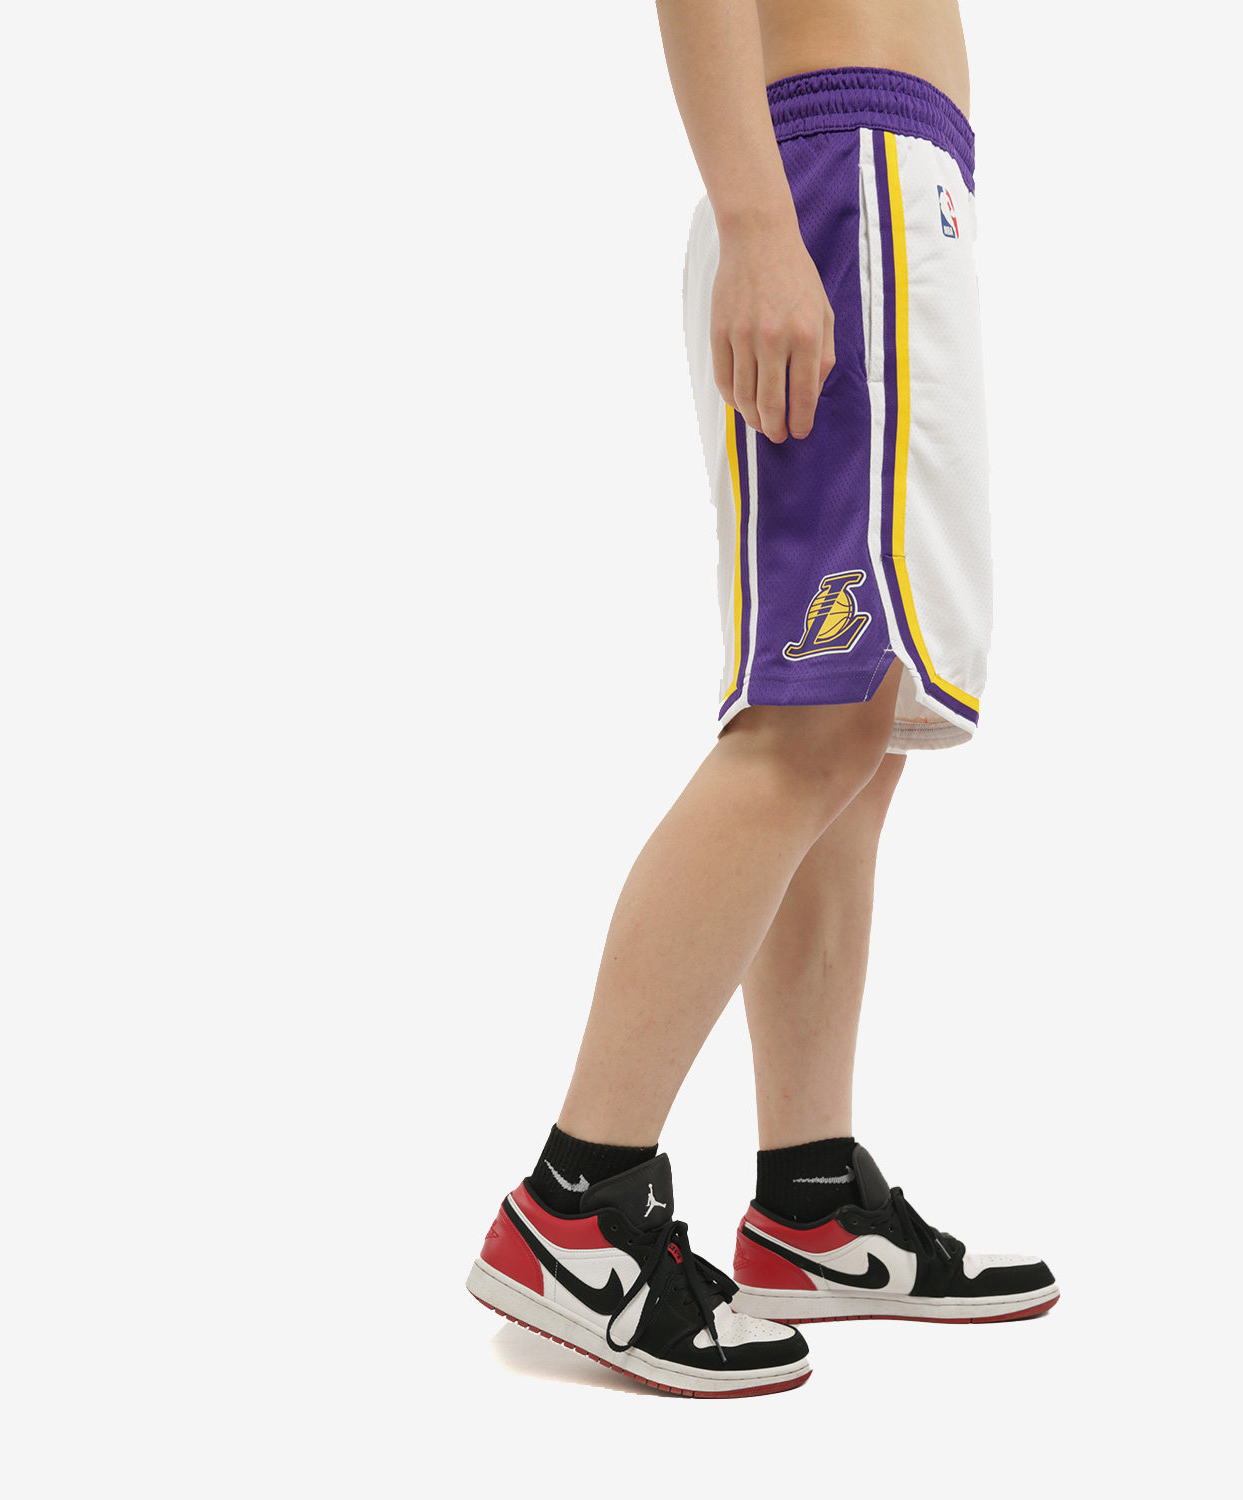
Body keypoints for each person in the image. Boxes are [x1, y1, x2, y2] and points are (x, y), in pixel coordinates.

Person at [466, 0, 1057, 1397]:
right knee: (812, 721)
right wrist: (755, 221)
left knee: (858, 733)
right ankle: (577, 1203)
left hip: (890, 181)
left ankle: (810, 1205)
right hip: (833, 178)